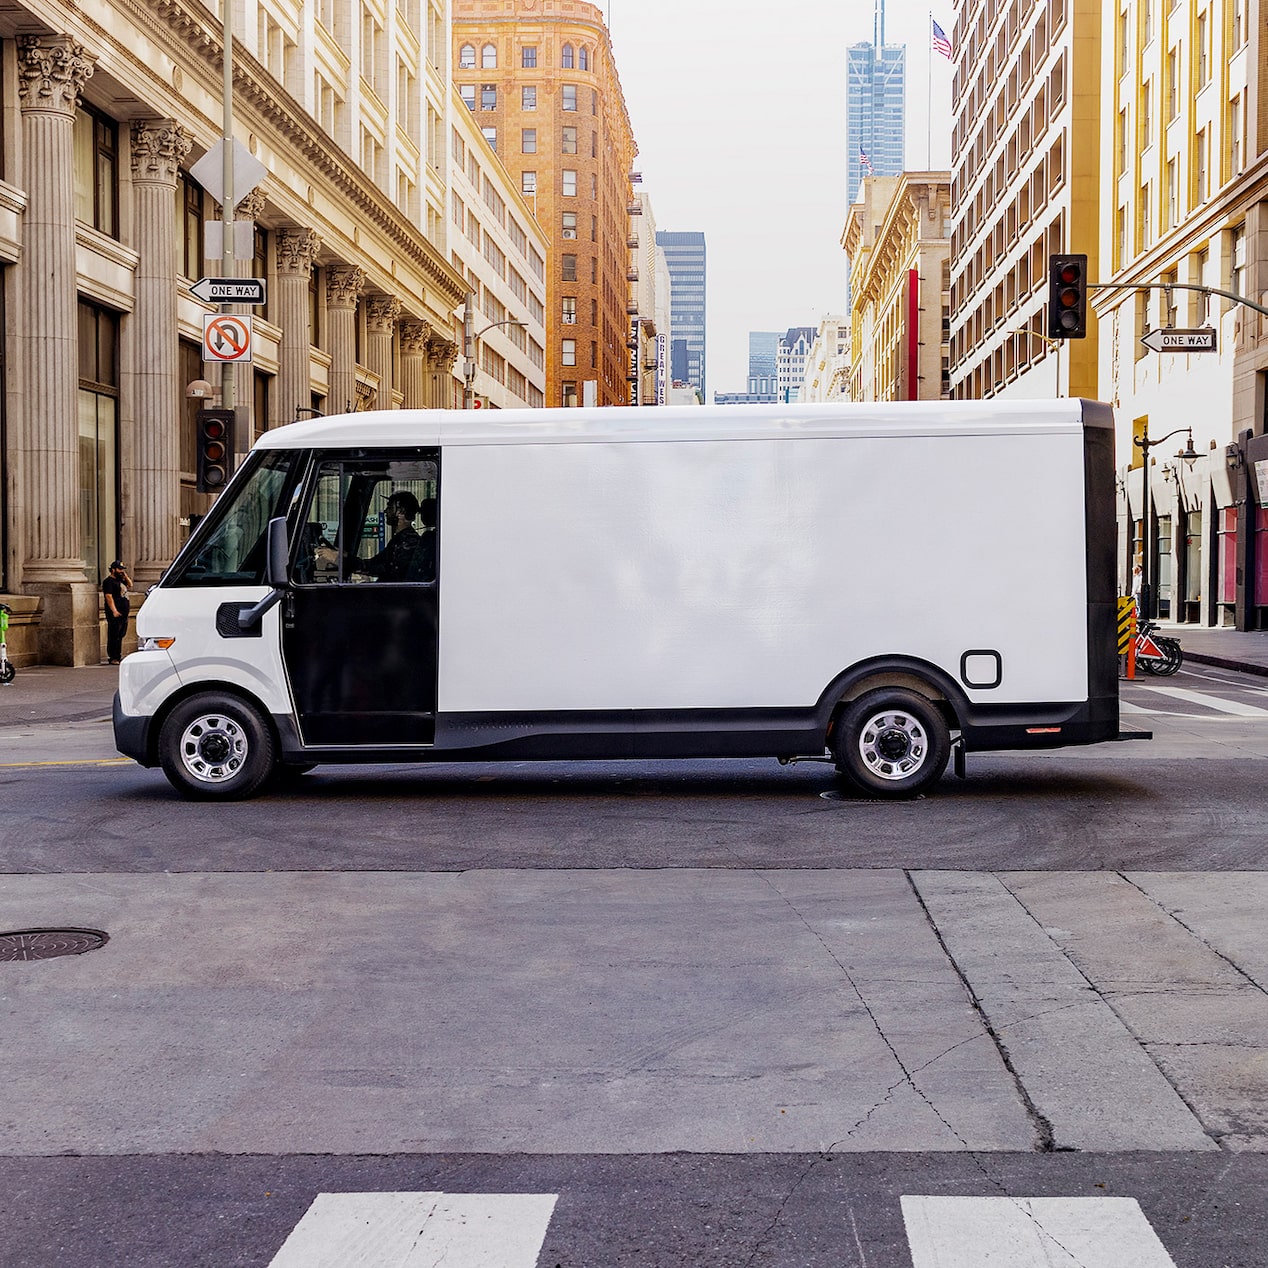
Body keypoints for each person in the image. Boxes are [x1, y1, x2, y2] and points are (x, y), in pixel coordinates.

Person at [102, 560, 132, 664]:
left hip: (124, 611)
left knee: (121, 634)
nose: (121, 571)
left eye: (122, 570)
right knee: (114, 634)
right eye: (119, 569)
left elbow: (130, 585)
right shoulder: (108, 582)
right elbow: (108, 597)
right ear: (113, 569)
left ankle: (118, 656)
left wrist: (125, 576)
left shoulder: (121, 580)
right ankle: (113, 657)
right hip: (115, 611)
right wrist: (114, 610)